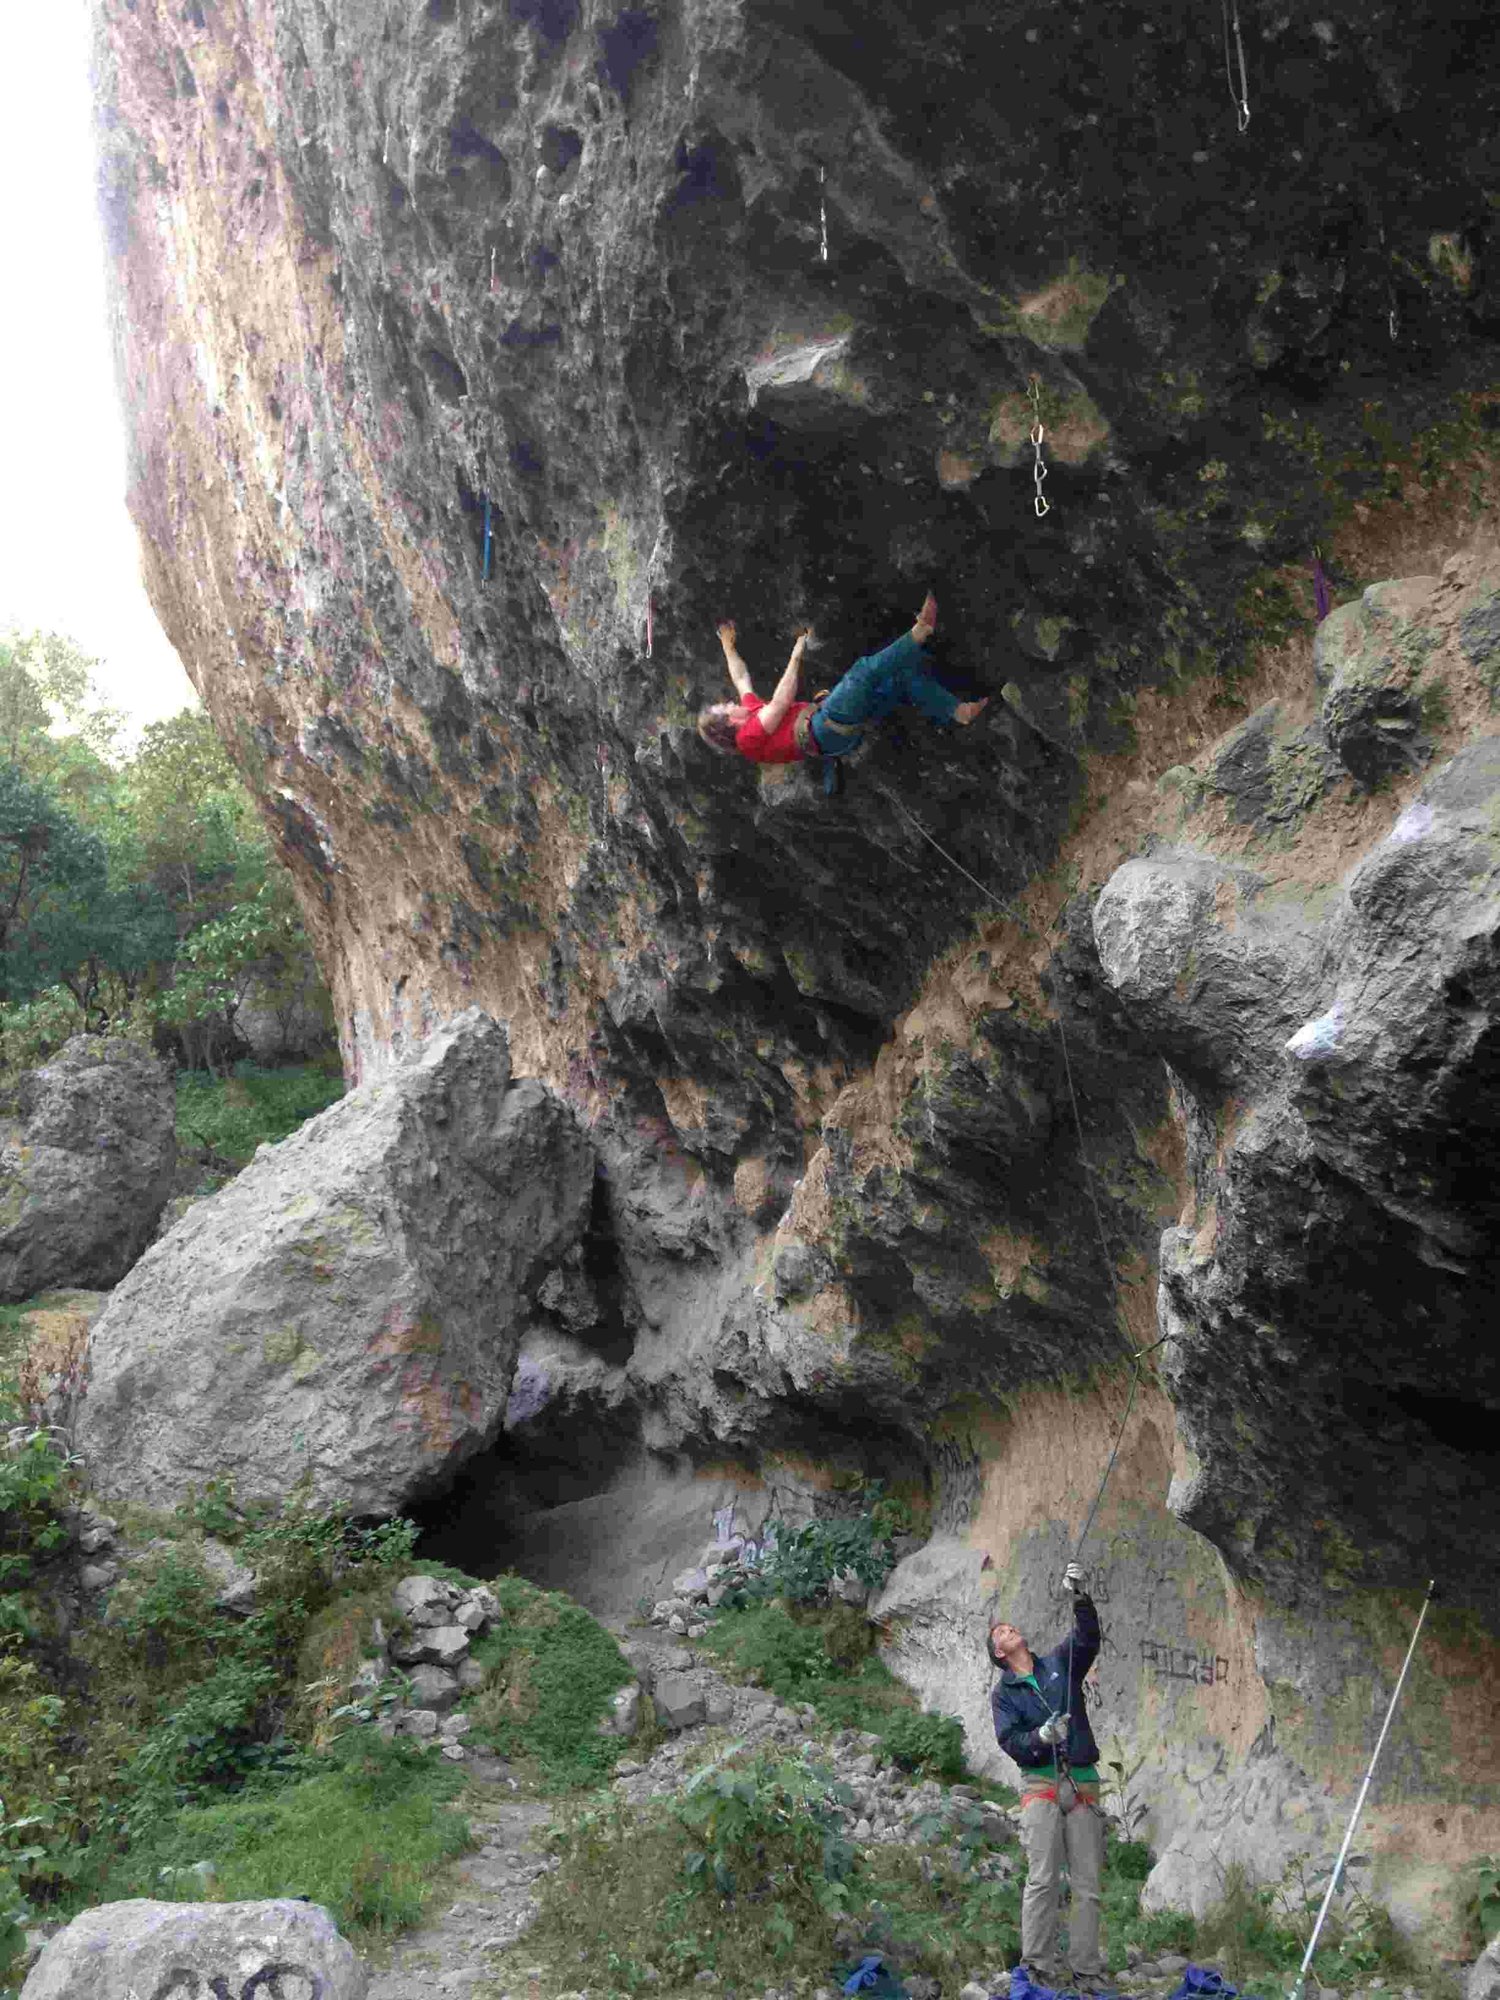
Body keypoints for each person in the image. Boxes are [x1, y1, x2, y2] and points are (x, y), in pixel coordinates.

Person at [696, 593, 988, 789]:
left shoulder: (750, 715)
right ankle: (921, 630)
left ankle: (958, 711)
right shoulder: (748, 737)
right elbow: (782, 702)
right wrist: (797, 654)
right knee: (862, 672)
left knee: (900, 680)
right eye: (725, 708)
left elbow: (741, 677)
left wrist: (727, 647)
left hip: (829, 726)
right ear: (728, 724)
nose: (731, 703)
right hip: (823, 728)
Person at [989, 1561, 1108, 1995]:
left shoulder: (1059, 1663)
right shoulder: (1004, 1695)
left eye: (1009, 1626)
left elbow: (1088, 1640)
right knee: (1042, 1879)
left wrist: (1079, 1597)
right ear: (999, 1653)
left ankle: (1087, 1973)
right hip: (1040, 1784)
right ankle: (1037, 1968)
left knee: (1088, 1885)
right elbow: (1010, 1742)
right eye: (1000, 1632)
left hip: (1081, 1780)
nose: (1009, 1630)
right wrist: (1040, 1736)